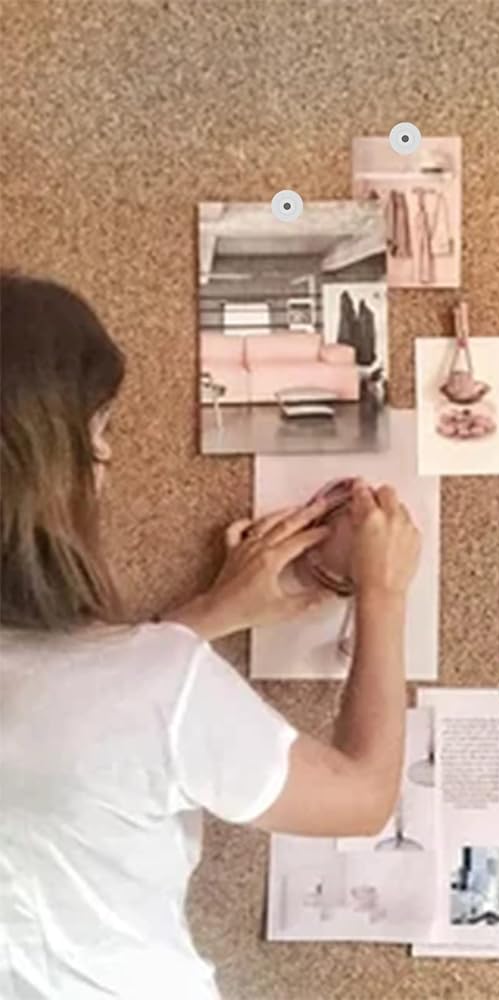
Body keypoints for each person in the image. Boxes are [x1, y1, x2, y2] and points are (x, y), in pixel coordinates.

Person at [0, 273, 422, 999]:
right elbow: (361, 797)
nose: (107, 460)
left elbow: (73, 708)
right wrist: (383, 593)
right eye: (100, 431)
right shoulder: (157, 685)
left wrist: (210, 613)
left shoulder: (139, 682)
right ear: (49, 465)